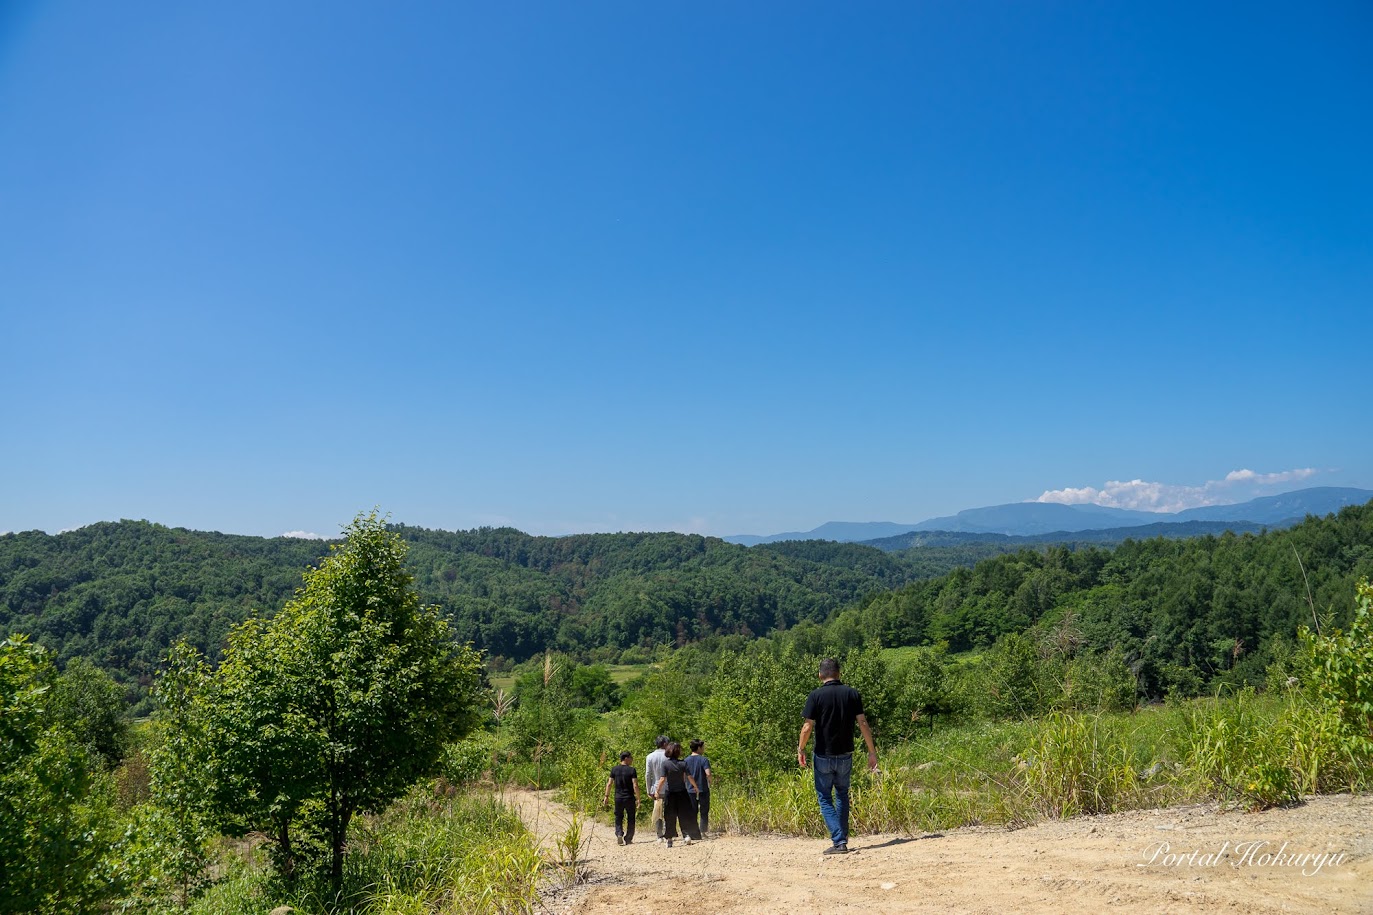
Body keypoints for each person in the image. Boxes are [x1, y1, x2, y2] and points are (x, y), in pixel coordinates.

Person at [797, 657, 877, 855]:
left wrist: (801, 749)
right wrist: (872, 752)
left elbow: (807, 726)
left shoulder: (816, 695)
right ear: (839, 673)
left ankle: (839, 841)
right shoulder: (852, 694)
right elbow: (863, 723)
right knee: (842, 794)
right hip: (845, 754)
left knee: (824, 797)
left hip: (823, 755)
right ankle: (843, 837)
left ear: (820, 675)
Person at [652, 741, 701, 847]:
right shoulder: (683, 763)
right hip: (682, 793)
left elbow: (662, 779)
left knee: (669, 816)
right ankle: (686, 835)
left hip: (670, 793)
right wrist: (695, 787)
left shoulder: (665, 764)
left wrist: (657, 791)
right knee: (684, 815)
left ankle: (669, 839)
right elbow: (689, 777)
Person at [602, 750, 639, 845]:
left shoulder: (614, 769)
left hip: (618, 797)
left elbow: (609, 783)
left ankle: (619, 833)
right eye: (631, 758)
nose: (632, 759)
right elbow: (635, 785)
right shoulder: (632, 770)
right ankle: (628, 838)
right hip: (629, 797)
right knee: (631, 817)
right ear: (626, 758)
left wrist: (606, 796)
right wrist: (638, 798)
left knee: (618, 817)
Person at [684, 738, 714, 836]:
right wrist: (710, 782)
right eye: (703, 747)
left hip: (690, 789)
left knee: (692, 811)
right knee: (704, 811)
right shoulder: (704, 759)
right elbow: (708, 773)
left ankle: (693, 831)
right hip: (703, 788)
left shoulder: (686, 760)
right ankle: (703, 831)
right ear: (699, 748)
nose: (703, 749)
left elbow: (683, 775)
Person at [644, 735, 670, 841]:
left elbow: (648, 774)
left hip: (655, 788)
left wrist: (648, 788)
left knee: (657, 810)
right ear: (664, 744)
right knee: (668, 811)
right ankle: (667, 832)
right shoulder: (668, 756)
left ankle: (659, 834)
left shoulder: (650, 756)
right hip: (668, 787)